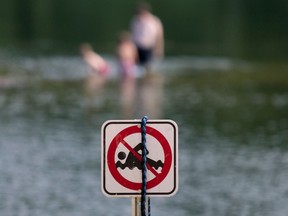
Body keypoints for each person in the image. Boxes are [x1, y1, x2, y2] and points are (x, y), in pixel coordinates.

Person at [130, 1, 164, 75]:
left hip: (149, 46)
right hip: (137, 47)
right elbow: (132, 34)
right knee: (138, 66)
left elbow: (159, 36)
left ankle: (148, 79)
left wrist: (159, 49)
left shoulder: (154, 21)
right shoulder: (135, 20)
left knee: (148, 65)